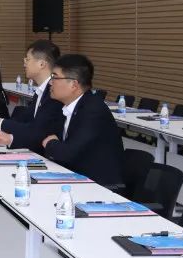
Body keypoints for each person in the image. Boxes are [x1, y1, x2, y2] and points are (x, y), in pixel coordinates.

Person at [40, 54, 124, 187]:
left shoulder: (93, 110)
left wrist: (51, 143)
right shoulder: (66, 106)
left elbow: (67, 153)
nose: (50, 82)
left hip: (100, 187)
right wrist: (54, 144)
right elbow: (50, 140)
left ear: (74, 84)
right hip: (75, 177)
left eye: (55, 77)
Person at [0, 40, 63, 153]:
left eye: (27, 59)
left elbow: (38, 130)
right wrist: (6, 134)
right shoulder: (41, 90)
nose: (24, 64)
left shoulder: (54, 92)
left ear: (41, 64)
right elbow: (27, 122)